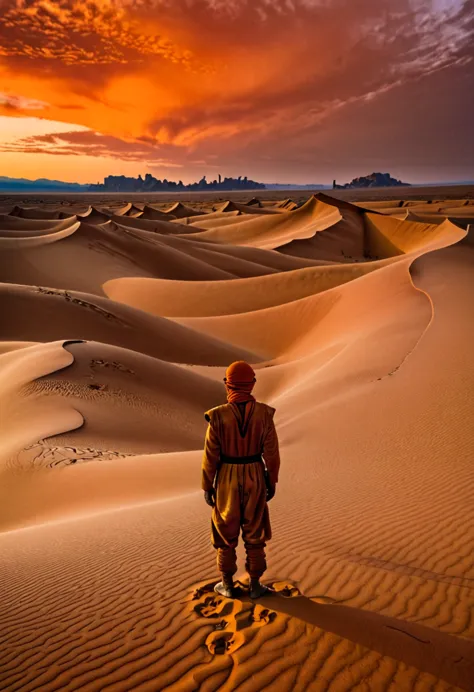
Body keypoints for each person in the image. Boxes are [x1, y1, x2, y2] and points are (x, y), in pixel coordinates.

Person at [202, 361, 280, 599]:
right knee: (254, 532)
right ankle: (255, 585)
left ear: (228, 384)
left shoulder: (217, 417)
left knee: (224, 532)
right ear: (252, 384)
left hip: (226, 477)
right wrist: (271, 479)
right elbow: (272, 453)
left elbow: (210, 456)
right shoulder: (264, 414)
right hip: (255, 474)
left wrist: (207, 486)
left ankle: (227, 584)